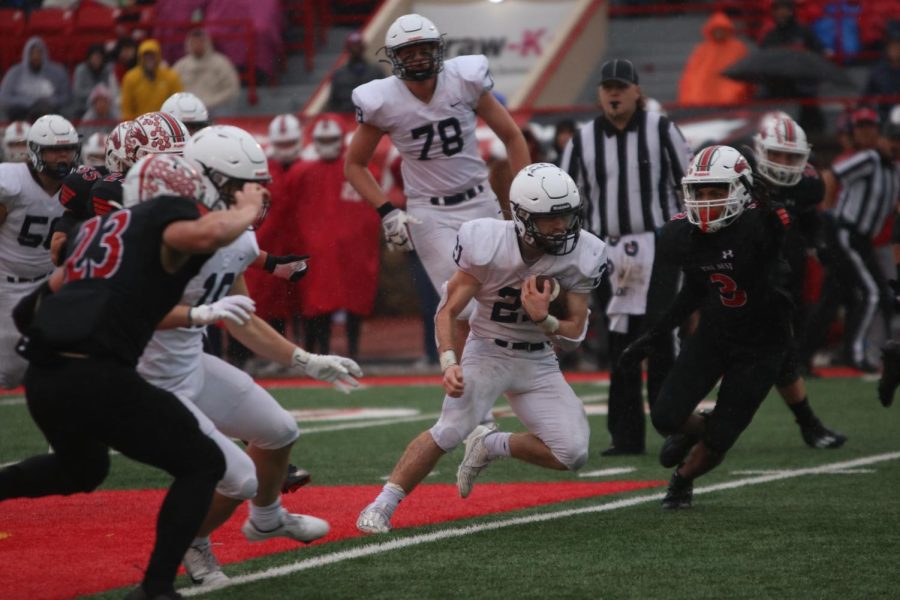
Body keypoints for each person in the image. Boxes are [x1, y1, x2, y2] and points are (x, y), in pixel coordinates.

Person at [0, 152, 265, 599]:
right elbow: (206, 231)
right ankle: (155, 588)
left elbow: (32, 308)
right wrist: (247, 208)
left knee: (80, 470)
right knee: (203, 462)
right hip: (95, 373)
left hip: (45, 375)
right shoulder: (163, 217)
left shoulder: (93, 229)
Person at [135, 125, 361, 586]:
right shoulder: (164, 233)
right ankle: (191, 544)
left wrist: (305, 360)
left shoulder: (237, 240)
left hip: (187, 363)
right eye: (242, 185)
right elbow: (135, 313)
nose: (254, 196)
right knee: (236, 476)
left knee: (279, 431)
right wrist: (199, 314)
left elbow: (242, 319)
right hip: (142, 377)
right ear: (205, 180)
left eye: (258, 185)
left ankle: (267, 518)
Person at [356, 163, 607, 534]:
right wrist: (448, 361)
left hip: (538, 360)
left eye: (566, 216)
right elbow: (449, 309)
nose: (561, 227)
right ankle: (381, 505)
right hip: (488, 349)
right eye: (550, 219)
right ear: (521, 217)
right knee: (449, 430)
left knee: (573, 453)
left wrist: (545, 320)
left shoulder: (585, 253)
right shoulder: (486, 241)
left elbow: (574, 335)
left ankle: (490, 445)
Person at [620, 145, 794, 509]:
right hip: (717, 332)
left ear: (742, 190)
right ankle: (703, 427)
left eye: (717, 190)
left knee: (722, 438)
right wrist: (654, 335)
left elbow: (783, 266)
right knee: (666, 417)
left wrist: (777, 245)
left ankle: (682, 480)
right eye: (700, 191)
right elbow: (695, 291)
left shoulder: (760, 226)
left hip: (763, 343)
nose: (706, 200)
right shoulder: (680, 235)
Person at [346, 13, 529, 354]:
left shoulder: (464, 79)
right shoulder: (383, 100)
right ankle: (466, 388)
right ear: (393, 58)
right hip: (430, 213)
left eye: (423, 48)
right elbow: (354, 165)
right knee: (461, 302)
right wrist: (387, 211)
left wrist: (526, 195)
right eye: (407, 51)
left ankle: (508, 376)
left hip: (481, 202)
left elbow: (512, 136)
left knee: (504, 296)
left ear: (438, 49)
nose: (417, 57)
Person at [560, 58, 691, 456]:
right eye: (607, 87)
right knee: (620, 344)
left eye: (621, 86)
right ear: (599, 94)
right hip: (608, 250)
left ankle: (673, 425)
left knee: (662, 337)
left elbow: (689, 186)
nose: (614, 93)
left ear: (637, 91)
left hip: (659, 247)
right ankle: (626, 436)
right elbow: (567, 200)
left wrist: (688, 243)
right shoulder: (581, 141)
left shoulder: (663, 130)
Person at [752, 113, 847, 448]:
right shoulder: (739, 174)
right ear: (759, 150)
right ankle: (686, 427)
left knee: (783, 354)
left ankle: (809, 423)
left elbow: (810, 220)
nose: (782, 163)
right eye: (776, 154)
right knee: (714, 356)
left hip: (782, 279)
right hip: (736, 277)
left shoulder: (808, 185)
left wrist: (820, 245)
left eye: (791, 156)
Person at [806, 107, 898, 371]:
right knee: (871, 292)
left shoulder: (889, 165)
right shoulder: (867, 158)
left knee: (838, 296)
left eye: (871, 128)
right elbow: (830, 177)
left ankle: (810, 354)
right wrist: (825, 217)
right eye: (861, 128)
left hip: (864, 239)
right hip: (847, 233)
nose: (867, 133)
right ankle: (856, 355)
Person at [290, 116, 381, 359]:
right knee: (318, 304)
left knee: (354, 302)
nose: (327, 144)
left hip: (353, 251)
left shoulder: (363, 170)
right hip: (319, 252)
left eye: (331, 139)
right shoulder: (303, 173)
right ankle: (317, 353)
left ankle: (353, 352)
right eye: (323, 139)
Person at [0, 114, 79, 390]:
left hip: (52, 283)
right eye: (54, 150)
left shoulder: (78, 186)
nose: (63, 157)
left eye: (68, 148)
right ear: (35, 151)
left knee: (63, 362)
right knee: (9, 374)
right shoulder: (11, 182)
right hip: (8, 285)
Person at [758, 0, 827, 135]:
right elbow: (763, 60)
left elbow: (818, 53)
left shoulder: (804, 32)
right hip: (778, 85)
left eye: (785, 9)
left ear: (791, 11)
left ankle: (813, 134)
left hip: (803, 84)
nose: (781, 13)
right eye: (778, 9)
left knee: (809, 115)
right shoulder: (770, 36)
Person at [678, 11, 753, 106]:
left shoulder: (738, 48)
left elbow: (743, 71)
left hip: (729, 98)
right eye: (716, 29)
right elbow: (691, 74)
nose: (719, 32)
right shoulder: (702, 49)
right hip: (703, 96)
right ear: (711, 30)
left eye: (722, 29)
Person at [0, 37, 72, 121]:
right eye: (32, 53)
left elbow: (67, 97)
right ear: (26, 54)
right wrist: (28, 102)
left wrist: (50, 101)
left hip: (50, 114)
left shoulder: (58, 72)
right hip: (21, 114)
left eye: (39, 53)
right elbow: (4, 97)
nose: (36, 56)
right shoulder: (14, 72)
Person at [172, 29, 241, 116]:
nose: (197, 45)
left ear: (207, 43)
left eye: (200, 41)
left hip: (216, 109)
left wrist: (210, 103)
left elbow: (232, 89)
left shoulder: (221, 63)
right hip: (187, 111)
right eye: (194, 42)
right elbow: (171, 87)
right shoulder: (181, 66)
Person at [120, 39, 184, 121]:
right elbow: (126, 108)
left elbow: (178, 103)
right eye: (146, 56)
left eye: (152, 56)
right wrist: (132, 127)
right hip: (139, 126)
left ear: (158, 57)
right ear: (140, 58)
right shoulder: (130, 78)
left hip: (165, 124)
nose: (149, 59)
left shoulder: (171, 77)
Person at [326, 31, 384, 113]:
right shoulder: (339, 74)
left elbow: (386, 97)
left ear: (363, 48)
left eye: (358, 47)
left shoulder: (376, 71)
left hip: (372, 118)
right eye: (352, 47)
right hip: (346, 119)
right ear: (348, 49)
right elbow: (333, 102)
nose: (355, 50)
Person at [864, 22, 900, 123]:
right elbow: (866, 100)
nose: (895, 48)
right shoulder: (878, 73)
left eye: (898, 44)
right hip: (883, 118)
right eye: (892, 44)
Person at [72, 44, 117, 119]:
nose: (96, 60)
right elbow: (78, 92)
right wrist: (96, 94)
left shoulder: (107, 70)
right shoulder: (81, 70)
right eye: (94, 57)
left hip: (104, 106)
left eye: (99, 57)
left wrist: (101, 98)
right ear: (89, 58)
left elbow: (111, 90)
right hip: (83, 107)